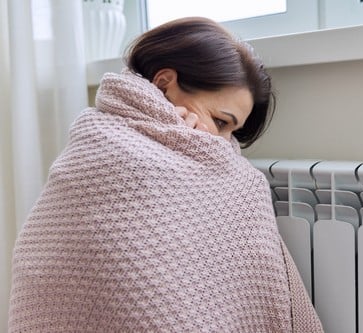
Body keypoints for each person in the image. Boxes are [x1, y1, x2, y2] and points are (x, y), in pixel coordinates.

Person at [8, 17, 323, 332]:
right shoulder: (99, 145)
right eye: (219, 120)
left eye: (232, 132)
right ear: (162, 84)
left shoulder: (235, 179)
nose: (222, 142)